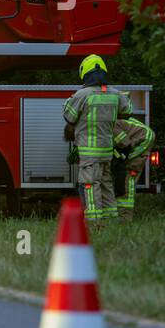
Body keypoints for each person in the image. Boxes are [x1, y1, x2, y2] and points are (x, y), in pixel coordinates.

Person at [63, 54, 134, 227]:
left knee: (90, 185)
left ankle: (94, 223)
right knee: (106, 184)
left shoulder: (82, 95)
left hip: (89, 153)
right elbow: (127, 111)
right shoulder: (114, 94)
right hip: (106, 152)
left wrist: (69, 101)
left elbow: (69, 116)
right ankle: (111, 219)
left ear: (85, 73)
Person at [112, 117, 155, 219]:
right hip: (138, 140)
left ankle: (125, 216)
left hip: (144, 140)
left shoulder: (111, 125)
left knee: (128, 177)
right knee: (122, 174)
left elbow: (125, 144)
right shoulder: (109, 122)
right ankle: (122, 214)